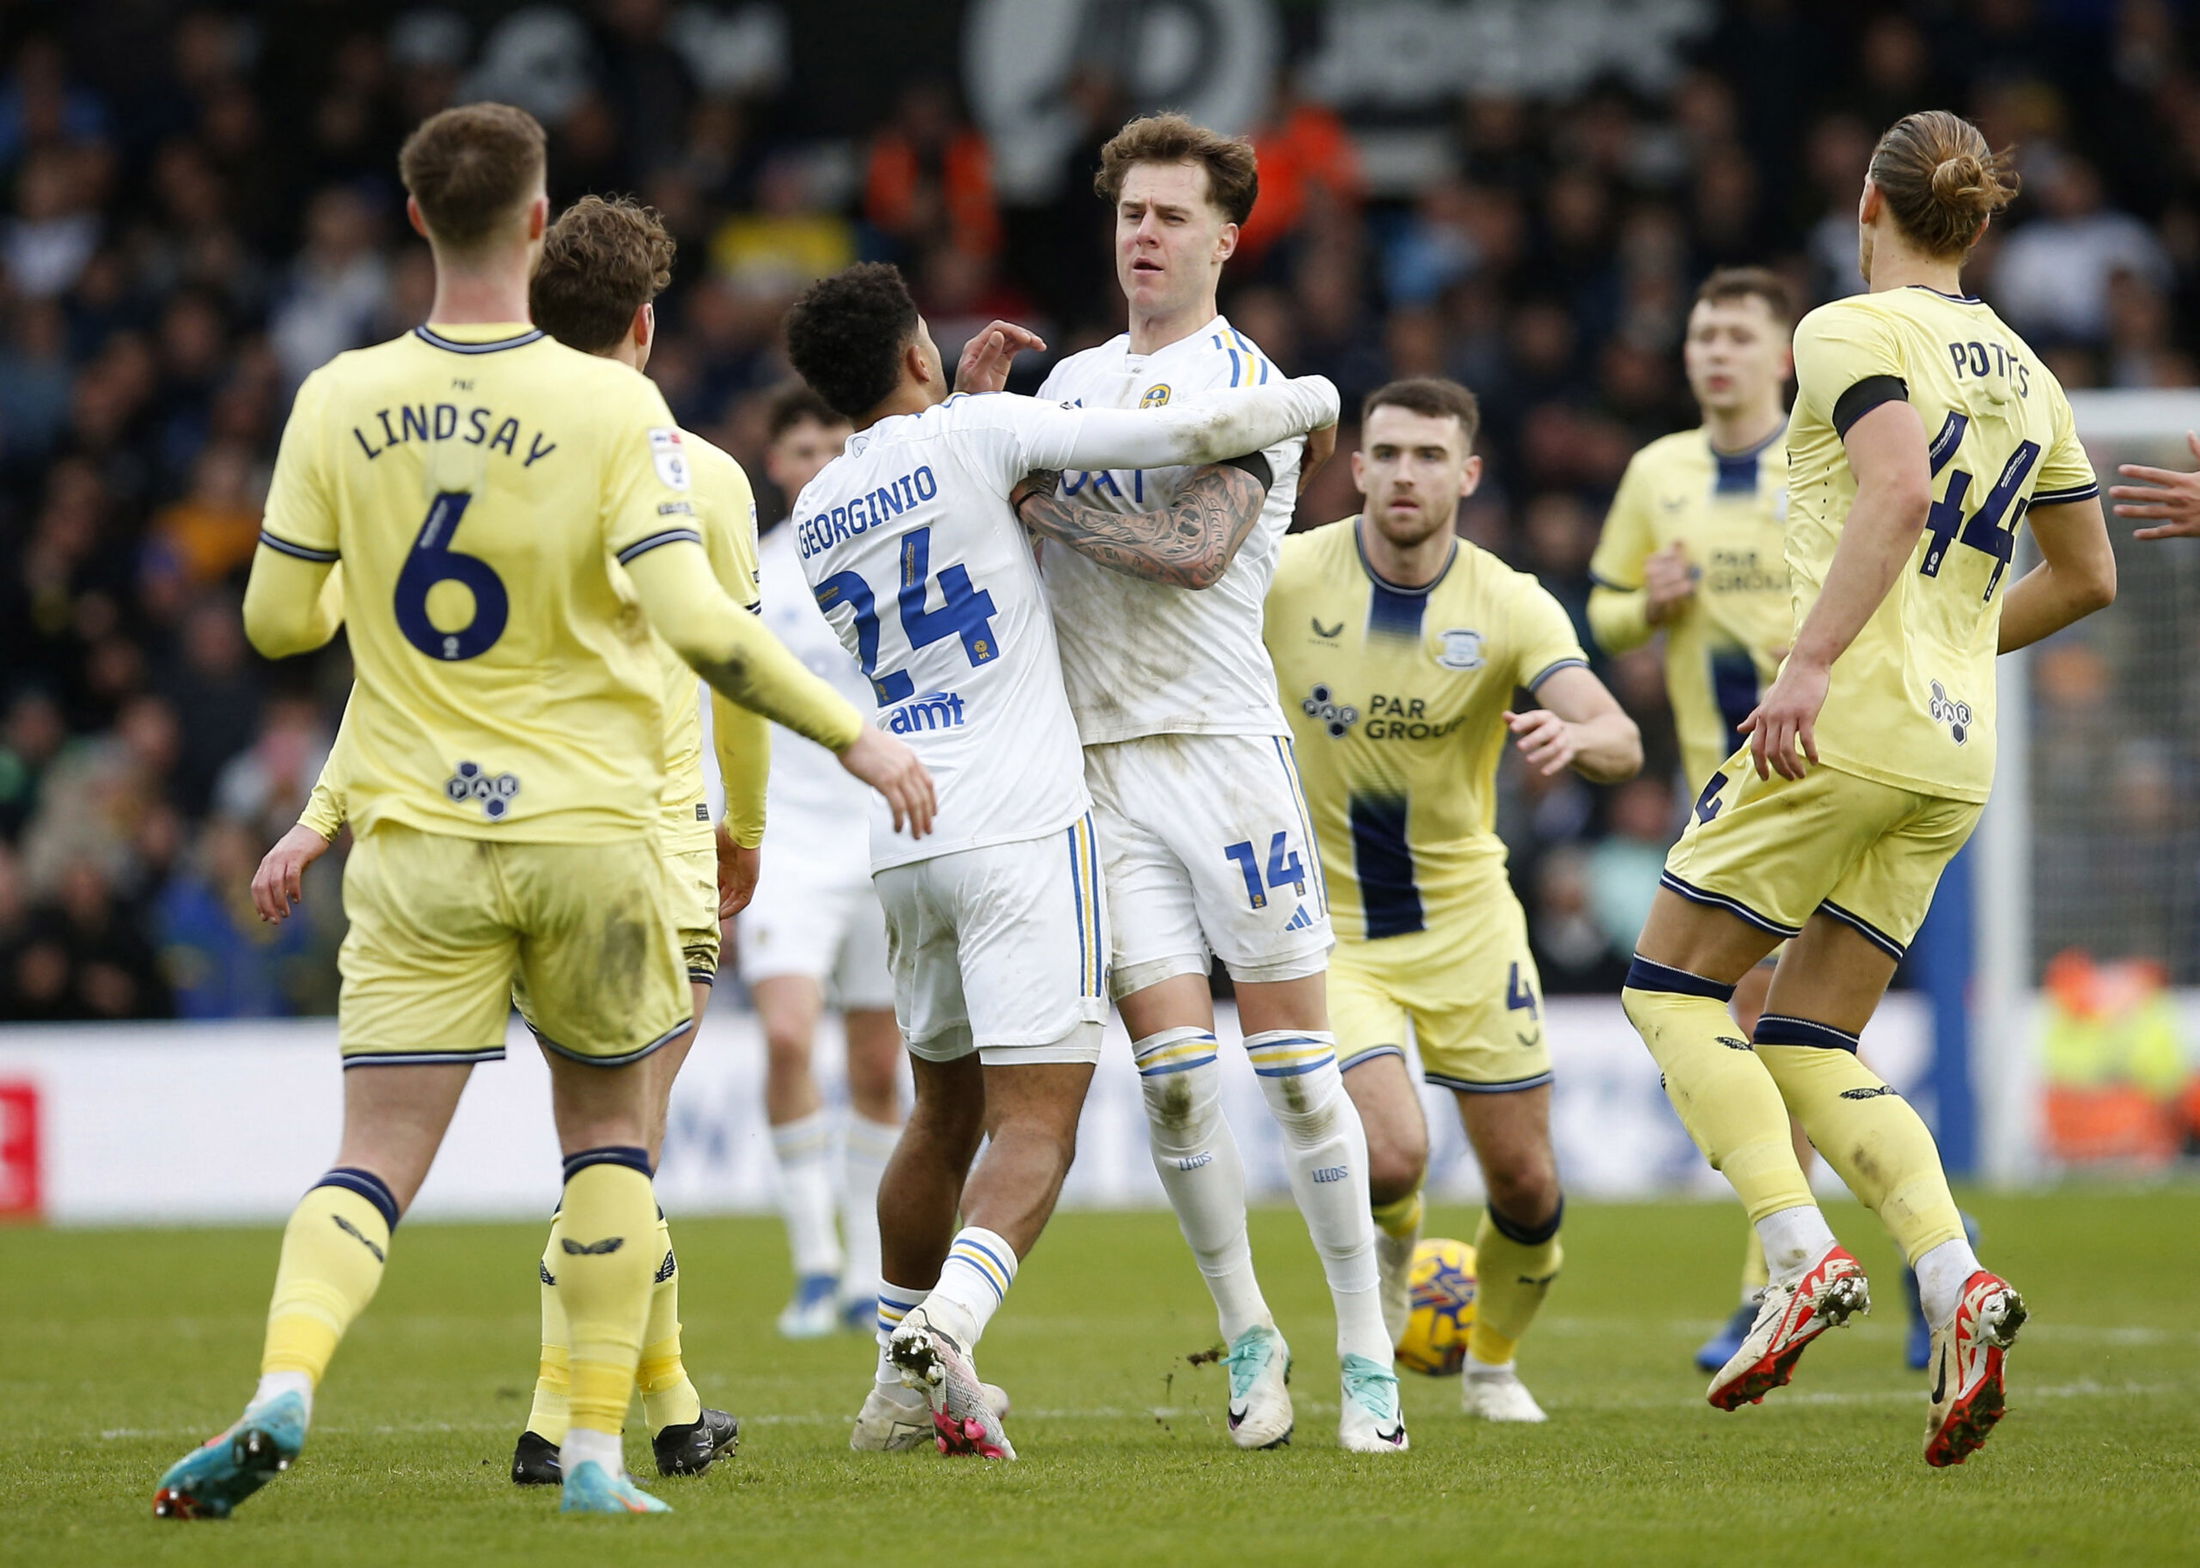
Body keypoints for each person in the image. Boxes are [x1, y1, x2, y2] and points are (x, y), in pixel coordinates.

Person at [154, 104, 934, 1521]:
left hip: (418, 843)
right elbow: (707, 634)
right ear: (531, 222)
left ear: (410, 220)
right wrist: (853, 735)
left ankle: (285, 1382)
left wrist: (375, 592)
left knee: (374, 1154)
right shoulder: (624, 418)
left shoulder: (337, 397)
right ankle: (588, 1452)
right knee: (612, 1148)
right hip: (600, 838)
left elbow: (276, 622)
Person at [256, 193, 782, 1488]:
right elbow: (738, 678)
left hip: (478, 830)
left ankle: (668, 1404)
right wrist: (745, 830)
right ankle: (564, 1421)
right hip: (642, 842)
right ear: (649, 326)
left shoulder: (484, 466)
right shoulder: (702, 474)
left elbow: (393, 667)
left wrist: (323, 814)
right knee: (620, 1149)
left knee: (610, 1151)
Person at [1617, 110, 2115, 1466]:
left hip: (1842, 720)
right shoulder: (2029, 368)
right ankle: (1957, 1282)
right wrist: (1950, 649)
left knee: (1665, 989)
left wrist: (1814, 666)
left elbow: (1895, 491)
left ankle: (1794, 1255)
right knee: (1812, 1042)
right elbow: (2089, 578)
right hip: (1954, 748)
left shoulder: (1846, 327)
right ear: (1982, 221)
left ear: (1867, 203)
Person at [782, 260, 1341, 1459]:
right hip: (1021, 821)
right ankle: (944, 1324)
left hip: (904, 831)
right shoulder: (981, 429)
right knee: (1038, 1124)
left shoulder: (819, 509)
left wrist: (949, 418)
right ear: (919, 354)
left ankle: (895, 1382)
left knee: (936, 1117)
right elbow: (1190, 425)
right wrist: (1310, 395)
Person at [1030, 111, 1403, 1454]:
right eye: (1131, 211)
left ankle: (1368, 1347)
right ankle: (1252, 1332)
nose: (1145, 234)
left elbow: (1191, 548)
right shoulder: (1064, 386)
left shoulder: (1252, 386)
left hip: (1227, 761)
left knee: (1300, 1075)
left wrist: (1027, 488)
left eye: (1173, 215)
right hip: (1101, 768)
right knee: (1177, 1083)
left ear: (1227, 239)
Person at [1257, 377, 1641, 1422]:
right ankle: (1383, 1281)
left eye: (1429, 455)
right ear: (1355, 466)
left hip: (1469, 922)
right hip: (1330, 928)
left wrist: (1578, 738)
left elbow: (1619, 732)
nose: (1404, 474)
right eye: (1385, 453)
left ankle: (1493, 1365)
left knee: (1525, 1184)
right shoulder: (1285, 576)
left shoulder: (1508, 600)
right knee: (1391, 1148)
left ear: (1467, 474)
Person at [1587, 268, 1819, 1369]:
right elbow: (1602, 609)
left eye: (1737, 333)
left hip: (1818, 781)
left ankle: (1768, 1279)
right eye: (1700, 332)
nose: (1714, 350)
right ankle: (1934, 1236)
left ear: (1782, 355)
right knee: (1782, 1033)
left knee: (1779, 1028)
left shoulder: (1820, 460)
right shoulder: (1655, 471)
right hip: (1713, 797)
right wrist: (1651, 604)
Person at [739, 385, 905, 1339]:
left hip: (884, 839)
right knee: (791, 1037)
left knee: (879, 1068)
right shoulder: (750, 578)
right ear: (776, 463)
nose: (818, 465)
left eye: (835, 446)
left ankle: (864, 1277)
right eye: (802, 449)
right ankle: (814, 1266)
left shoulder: (887, 563)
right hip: (790, 844)